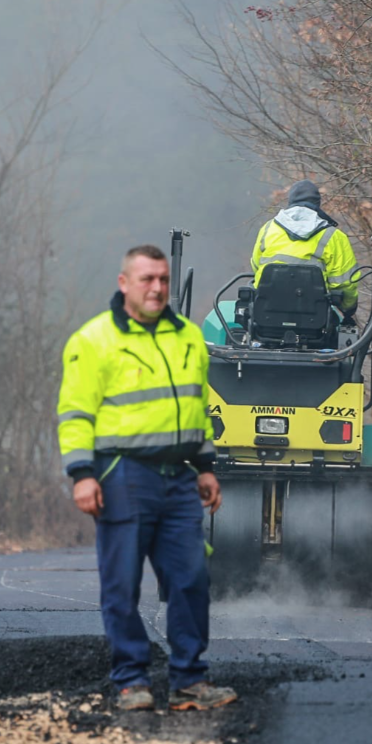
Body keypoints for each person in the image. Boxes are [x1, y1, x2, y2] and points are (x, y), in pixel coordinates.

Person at [57, 244, 237, 713]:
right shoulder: (93, 341)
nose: (157, 288)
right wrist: (81, 475)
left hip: (178, 479)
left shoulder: (190, 339)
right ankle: (131, 681)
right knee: (122, 585)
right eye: (146, 279)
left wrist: (205, 467)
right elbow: (75, 415)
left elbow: (196, 409)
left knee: (191, 579)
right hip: (122, 475)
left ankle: (188, 682)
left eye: (162, 278)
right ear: (124, 284)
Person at [250, 179, 360, 321]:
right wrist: (348, 309)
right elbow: (345, 283)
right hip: (315, 324)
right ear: (317, 205)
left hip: (265, 318)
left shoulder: (268, 228)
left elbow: (256, 266)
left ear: (290, 202)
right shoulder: (333, 236)